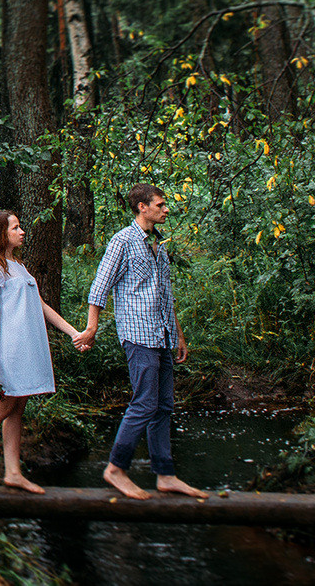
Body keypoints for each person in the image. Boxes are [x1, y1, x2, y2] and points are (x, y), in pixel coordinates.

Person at [77, 183, 208, 500]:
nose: (165, 209)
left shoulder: (157, 244)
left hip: (161, 334)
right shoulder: (123, 241)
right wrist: (91, 327)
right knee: (145, 402)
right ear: (142, 207)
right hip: (138, 335)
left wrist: (177, 333)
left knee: (164, 406)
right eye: (160, 204)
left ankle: (165, 475)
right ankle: (115, 469)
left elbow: (166, 294)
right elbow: (100, 286)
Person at [0, 209, 85, 494]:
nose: (22, 231)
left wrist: (74, 332)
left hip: (29, 344)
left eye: (20, 227)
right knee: (3, 404)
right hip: (10, 346)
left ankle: (13, 472)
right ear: (0, 233)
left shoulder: (19, 266)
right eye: (15, 227)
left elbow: (41, 305)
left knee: (18, 407)